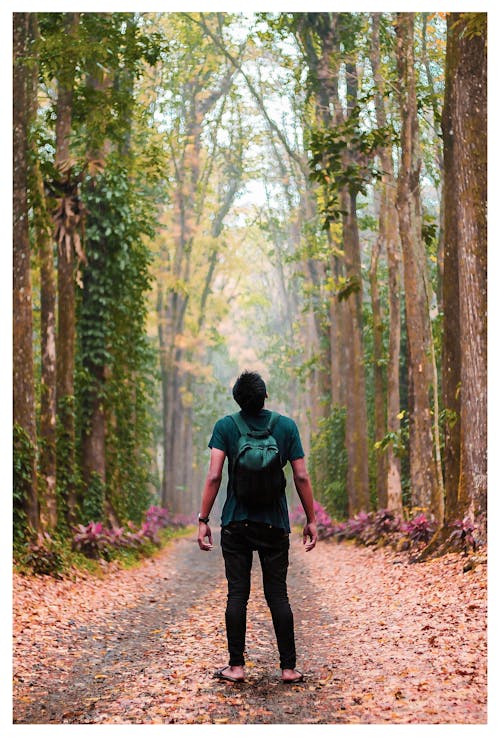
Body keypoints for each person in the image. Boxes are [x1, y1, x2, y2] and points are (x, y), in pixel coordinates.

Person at [197, 370, 318, 684]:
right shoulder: (286, 427)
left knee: (237, 595)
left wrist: (203, 520)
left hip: (236, 522)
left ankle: (236, 667)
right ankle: (288, 668)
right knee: (278, 596)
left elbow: (213, 477)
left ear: (238, 399)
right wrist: (311, 518)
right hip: (274, 523)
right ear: (265, 396)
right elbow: (301, 477)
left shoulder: (225, 426)